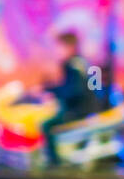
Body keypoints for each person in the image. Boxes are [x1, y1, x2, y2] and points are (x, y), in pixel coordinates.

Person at [40, 30, 93, 165]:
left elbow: (74, 90)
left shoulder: (72, 65)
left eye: (59, 47)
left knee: (46, 126)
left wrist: (50, 91)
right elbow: (94, 88)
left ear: (69, 47)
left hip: (78, 110)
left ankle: (53, 162)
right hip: (88, 108)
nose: (56, 51)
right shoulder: (84, 62)